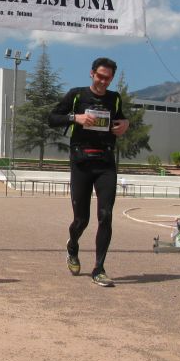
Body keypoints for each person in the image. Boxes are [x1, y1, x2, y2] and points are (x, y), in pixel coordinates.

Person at [48, 57, 129, 287]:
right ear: (92, 73)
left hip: (106, 163)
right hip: (81, 162)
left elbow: (120, 119)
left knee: (106, 215)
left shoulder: (114, 98)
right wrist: (76, 118)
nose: (103, 81)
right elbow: (52, 118)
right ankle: (73, 245)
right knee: (81, 220)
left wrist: (126, 124)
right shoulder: (76, 95)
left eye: (108, 78)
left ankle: (99, 269)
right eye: (100, 76)